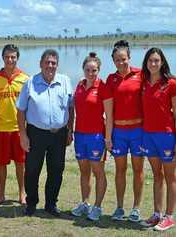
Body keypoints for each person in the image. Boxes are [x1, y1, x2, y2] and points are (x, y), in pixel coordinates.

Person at [16, 49, 73, 216]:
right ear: (40, 64)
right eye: (47, 62)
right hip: (36, 133)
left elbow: (71, 107)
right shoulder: (30, 83)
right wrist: (23, 135)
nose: (50, 66)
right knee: (32, 169)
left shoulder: (65, 81)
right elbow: (21, 110)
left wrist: (70, 129)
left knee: (56, 169)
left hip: (59, 134)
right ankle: (31, 203)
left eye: (53, 63)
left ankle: (51, 204)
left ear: (57, 65)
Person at [70, 52, 113, 221]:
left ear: (98, 70)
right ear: (83, 70)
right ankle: (85, 203)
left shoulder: (103, 88)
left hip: (96, 137)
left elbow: (109, 116)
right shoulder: (79, 86)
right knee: (83, 171)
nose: (90, 73)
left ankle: (98, 206)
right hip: (80, 135)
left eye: (94, 70)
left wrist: (107, 138)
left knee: (98, 171)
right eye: (88, 70)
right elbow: (74, 110)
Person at [106, 40, 144, 222]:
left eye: (123, 59)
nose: (121, 63)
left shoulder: (141, 75)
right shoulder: (111, 79)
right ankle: (119, 207)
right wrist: (109, 136)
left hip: (138, 131)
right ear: (113, 61)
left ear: (129, 57)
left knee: (138, 170)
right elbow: (108, 110)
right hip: (119, 132)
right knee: (120, 170)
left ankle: (136, 208)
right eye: (117, 60)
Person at [140, 48, 176, 231]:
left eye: (156, 60)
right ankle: (157, 214)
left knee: (171, 177)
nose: (153, 64)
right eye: (150, 60)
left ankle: (169, 217)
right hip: (148, 135)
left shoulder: (171, 83)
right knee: (156, 175)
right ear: (146, 63)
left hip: (167, 136)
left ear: (162, 62)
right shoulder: (144, 82)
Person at [0, 44, 28, 207]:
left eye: (13, 57)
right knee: (1, 164)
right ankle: (1, 195)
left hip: (19, 129)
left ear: (17, 58)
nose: (10, 60)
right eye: (7, 57)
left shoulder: (26, 79)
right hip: (1, 129)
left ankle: (22, 194)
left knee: (21, 163)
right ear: (2, 58)